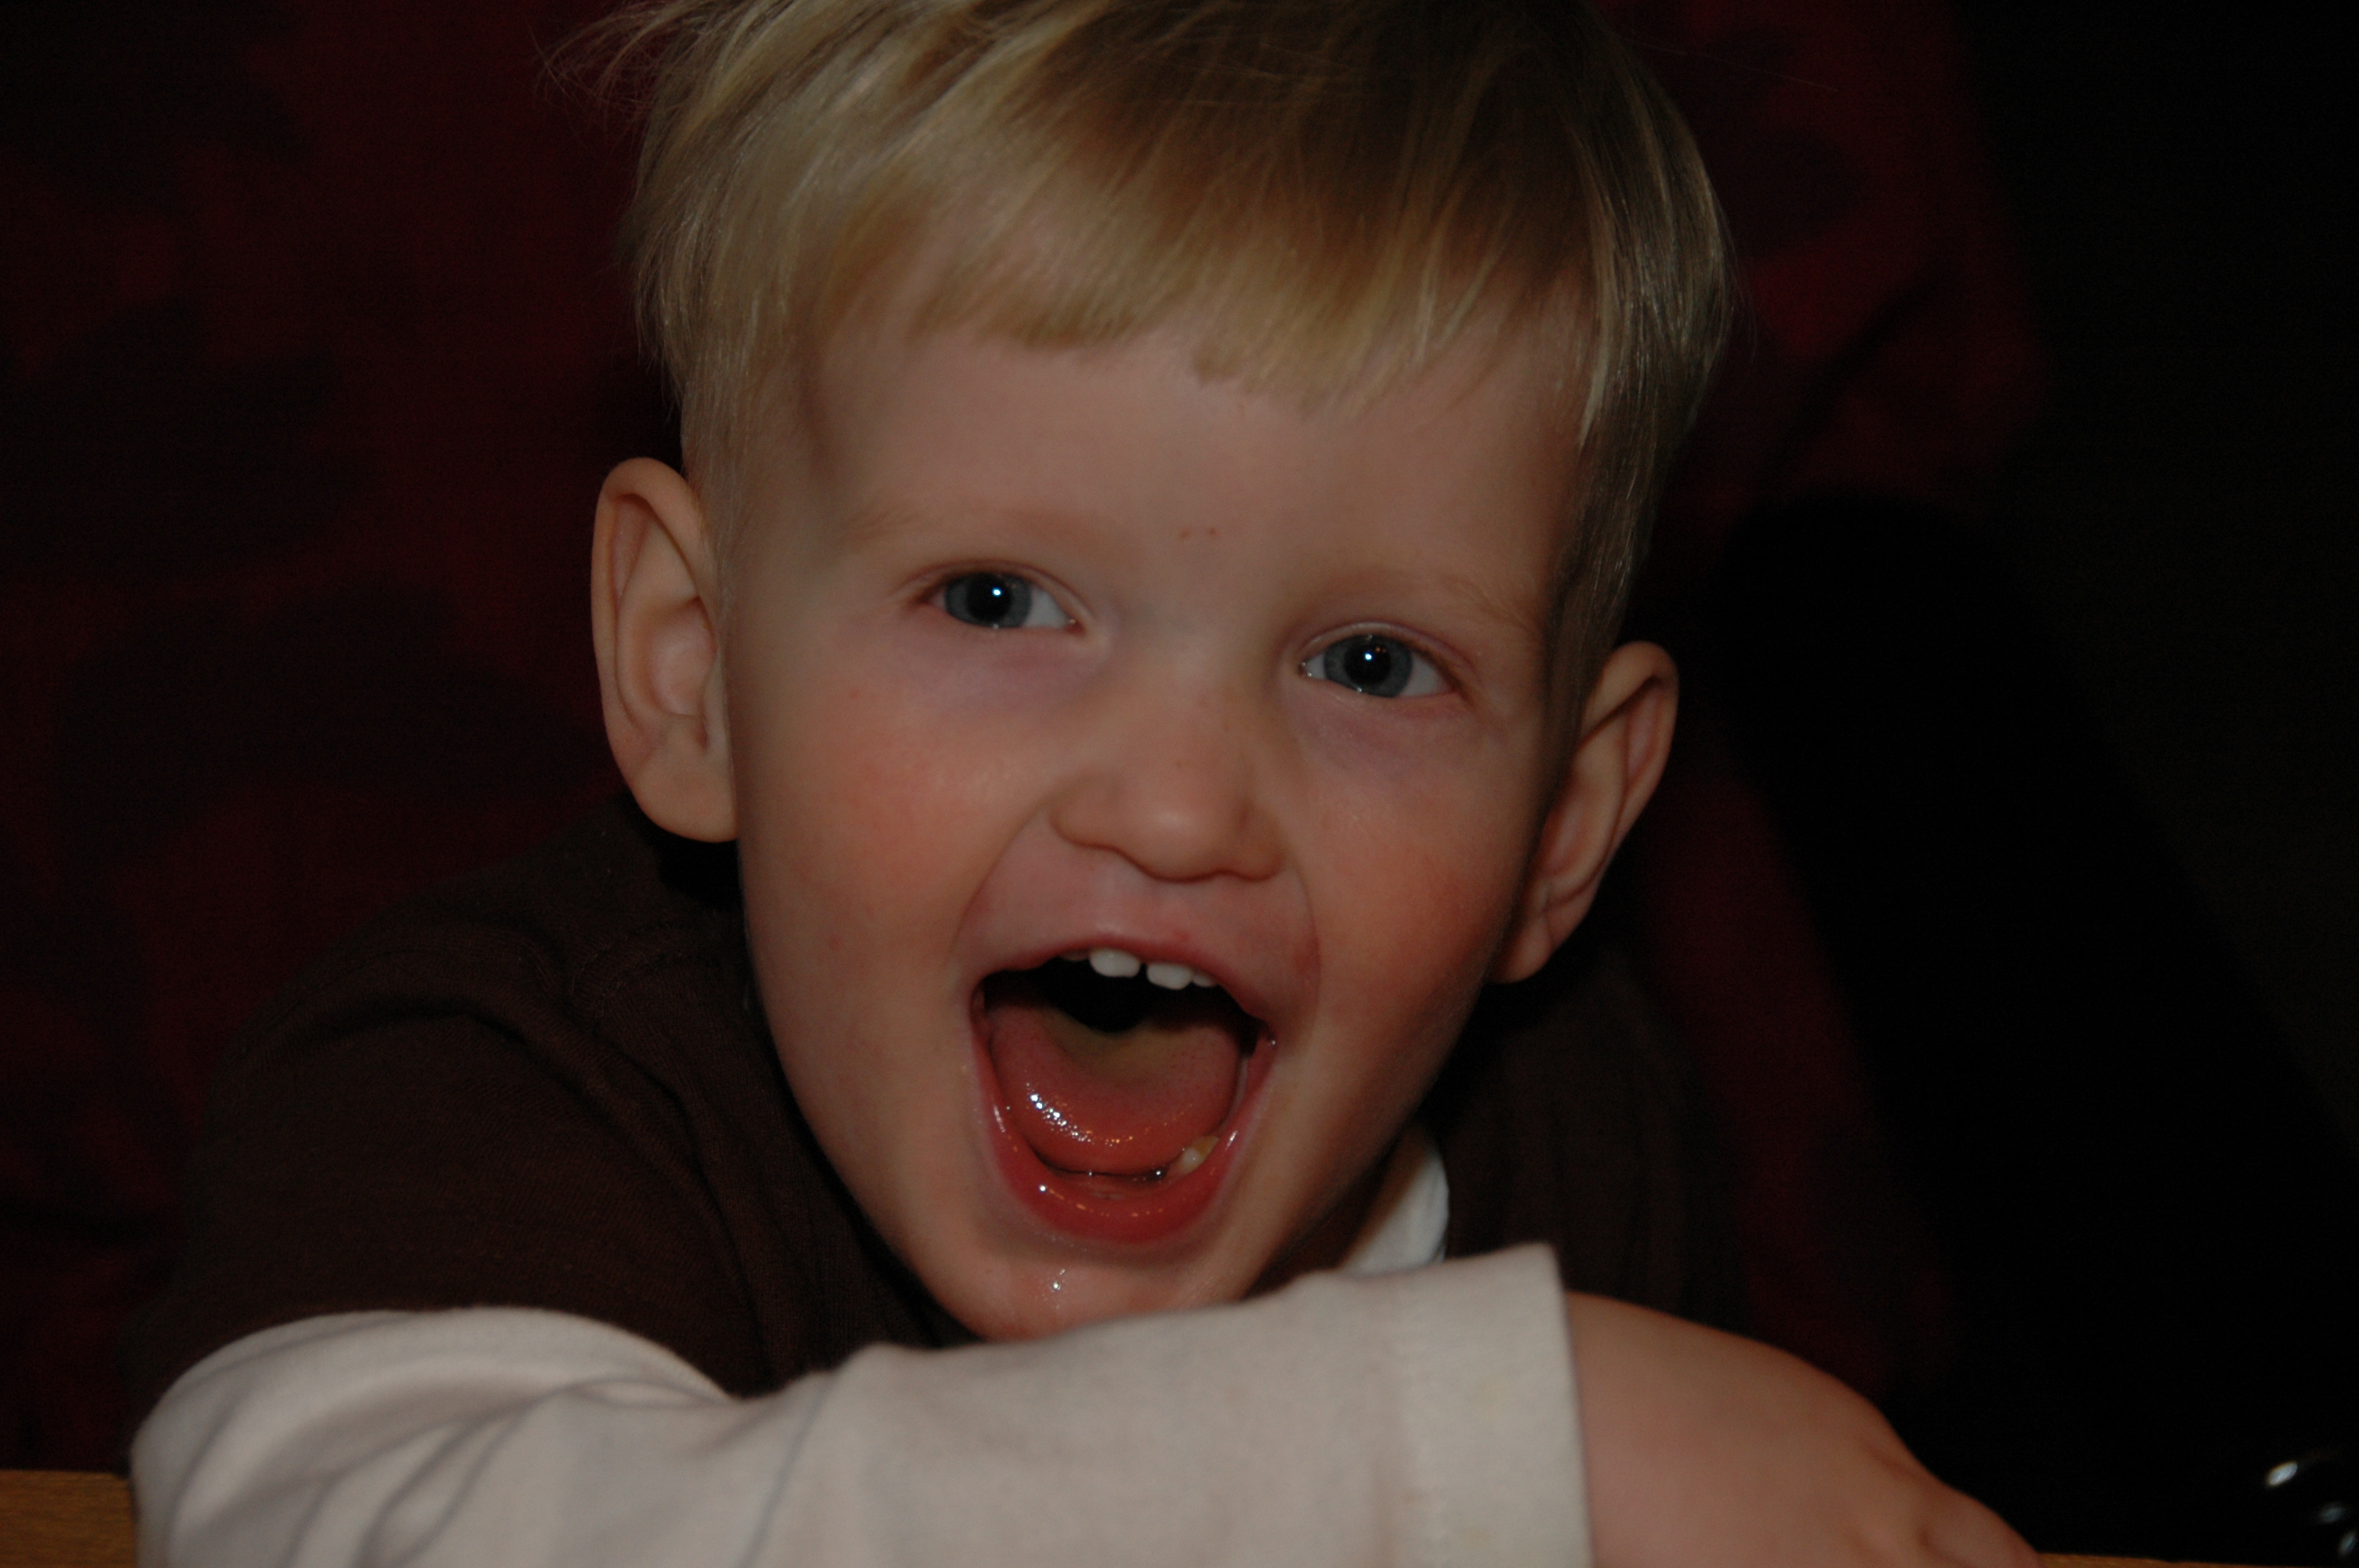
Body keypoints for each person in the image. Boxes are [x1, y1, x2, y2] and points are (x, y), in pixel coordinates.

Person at [119, 1, 2038, 1563]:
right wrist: (1455, 1451)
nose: (1178, 808)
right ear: (693, 668)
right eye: (998, 599)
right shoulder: (476, 1096)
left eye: (1371, 664)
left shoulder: (1575, 1126)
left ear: (1564, 823)